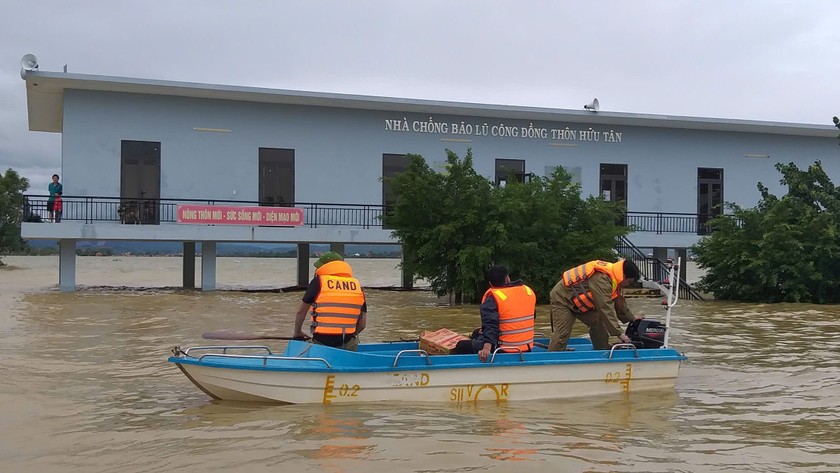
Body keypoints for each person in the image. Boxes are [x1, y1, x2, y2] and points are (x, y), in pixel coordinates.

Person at [547, 259, 644, 352]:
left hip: (580, 304)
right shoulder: (602, 278)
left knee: (598, 323)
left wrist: (631, 318)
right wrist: (619, 334)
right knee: (562, 333)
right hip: (563, 299)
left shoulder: (614, 279)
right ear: (623, 275)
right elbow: (605, 307)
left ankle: (602, 350)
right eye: (629, 281)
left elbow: (618, 302)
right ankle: (552, 358)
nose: (628, 284)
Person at [452, 265, 537, 362]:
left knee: (461, 345)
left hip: (504, 348)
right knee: (476, 332)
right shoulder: (527, 291)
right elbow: (530, 318)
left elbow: (491, 324)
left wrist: (486, 348)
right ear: (507, 278)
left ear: (490, 284)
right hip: (526, 346)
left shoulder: (493, 298)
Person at [293, 251, 367, 351]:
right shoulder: (357, 286)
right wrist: (347, 336)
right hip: (347, 341)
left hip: (321, 341)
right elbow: (362, 324)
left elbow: (300, 312)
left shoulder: (318, 282)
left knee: (300, 349)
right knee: (352, 343)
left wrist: (297, 333)